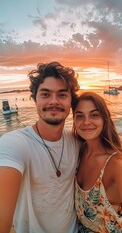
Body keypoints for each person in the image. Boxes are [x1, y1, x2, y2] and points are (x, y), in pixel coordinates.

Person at [0, 62, 80, 233]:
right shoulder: (15, 143)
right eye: (45, 94)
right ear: (34, 99)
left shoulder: (76, 141)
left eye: (62, 95)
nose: (53, 101)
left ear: (71, 101)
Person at [72, 91, 122, 232]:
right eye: (79, 116)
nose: (86, 122)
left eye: (94, 115)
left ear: (105, 119)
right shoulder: (78, 153)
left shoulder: (118, 166)